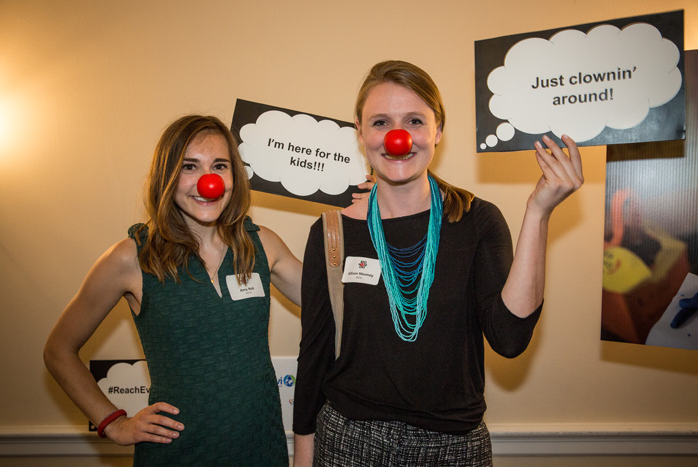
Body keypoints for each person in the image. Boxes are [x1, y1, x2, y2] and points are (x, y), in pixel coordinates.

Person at [293, 60, 584, 466]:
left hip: (452, 447)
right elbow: (315, 354)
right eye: (380, 122)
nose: (398, 137)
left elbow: (510, 339)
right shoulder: (331, 233)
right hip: (348, 442)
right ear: (360, 132)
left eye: (414, 120)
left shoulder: (477, 220)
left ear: (438, 131)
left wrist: (538, 213)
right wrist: (303, 456)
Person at [44, 115, 303, 466]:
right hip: (178, 455)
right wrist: (114, 423)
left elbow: (336, 304)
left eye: (219, 166)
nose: (207, 181)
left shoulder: (262, 245)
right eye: (189, 167)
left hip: (261, 450)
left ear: (234, 176)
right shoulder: (130, 257)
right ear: (167, 176)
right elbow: (59, 350)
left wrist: (373, 212)